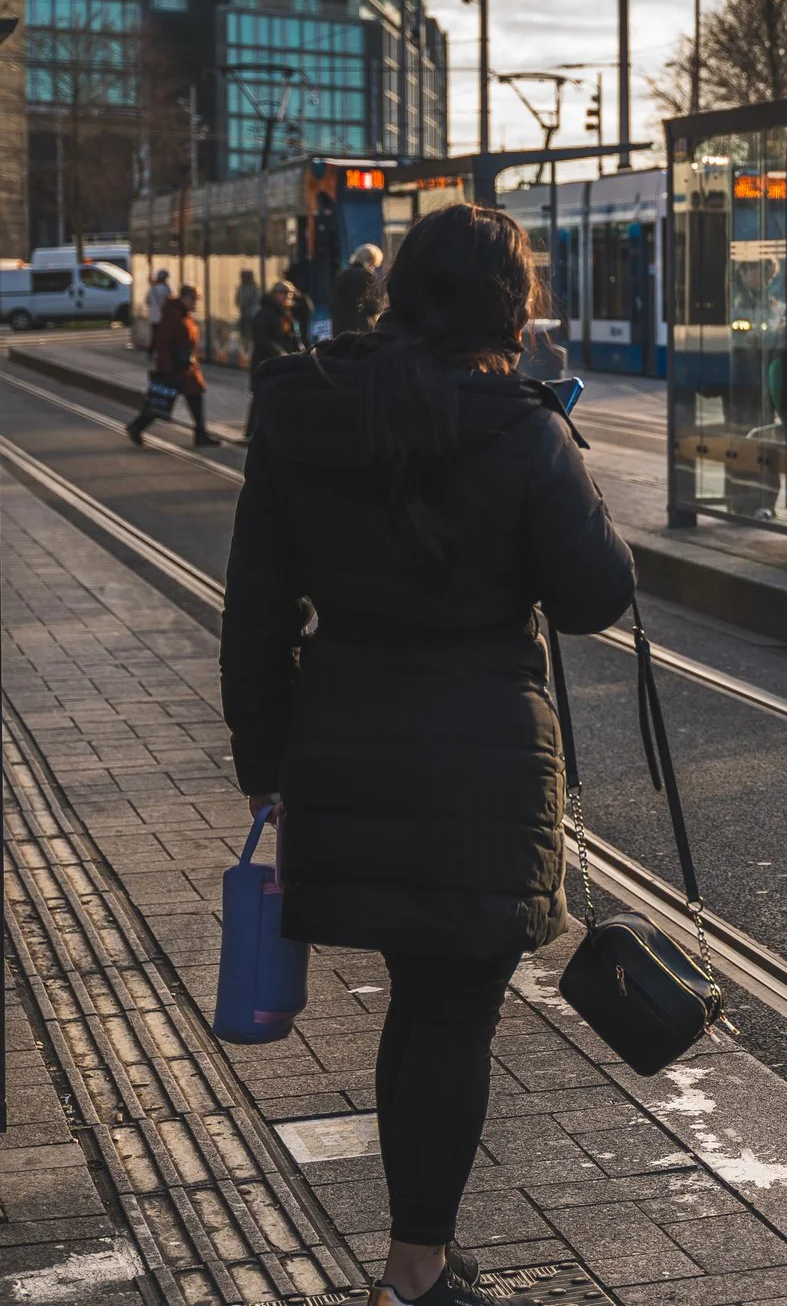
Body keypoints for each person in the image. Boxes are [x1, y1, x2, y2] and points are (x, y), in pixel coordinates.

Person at [221, 203, 635, 1306]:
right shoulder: (522, 423)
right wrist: (560, 434)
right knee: (452, 1007)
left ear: (402, 289)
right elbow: (599, 593)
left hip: (343, 744)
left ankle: (419, 1261)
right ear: (510, 304)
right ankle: (414, 1272)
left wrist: (264, 758)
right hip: (480, 766)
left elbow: (256, 606)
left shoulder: (302, 408)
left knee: (425, 998)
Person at [126, 284, 217, 448]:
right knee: (160, 402)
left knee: (194, 395)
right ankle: (137, 426)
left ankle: (201, 433)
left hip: (186, 367)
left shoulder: (183, 315)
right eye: (193, 299)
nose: (195, 303)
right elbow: (164, 341)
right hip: (175, 367)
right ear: (183, 297)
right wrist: (166, 366)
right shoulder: (173, 315)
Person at [245, 279, 303, 439]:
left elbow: (306, 312)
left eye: (290, 296)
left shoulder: (288, 315)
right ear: (275, 294)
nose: (288, 299)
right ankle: (252, 432)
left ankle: (275, 430)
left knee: (279, 396)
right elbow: (261, 337)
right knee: (261, 397)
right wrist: (278, 352)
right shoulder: (265, 313)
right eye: (284, 295)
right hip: (265, 362)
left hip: (282, 363)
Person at [332, 243, 385, 338]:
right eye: (374, 265)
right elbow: (374, 307)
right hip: (361, 332)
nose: (373, 269)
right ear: (370, 261)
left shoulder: (340, 276)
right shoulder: (367, 276)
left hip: (340, 333)